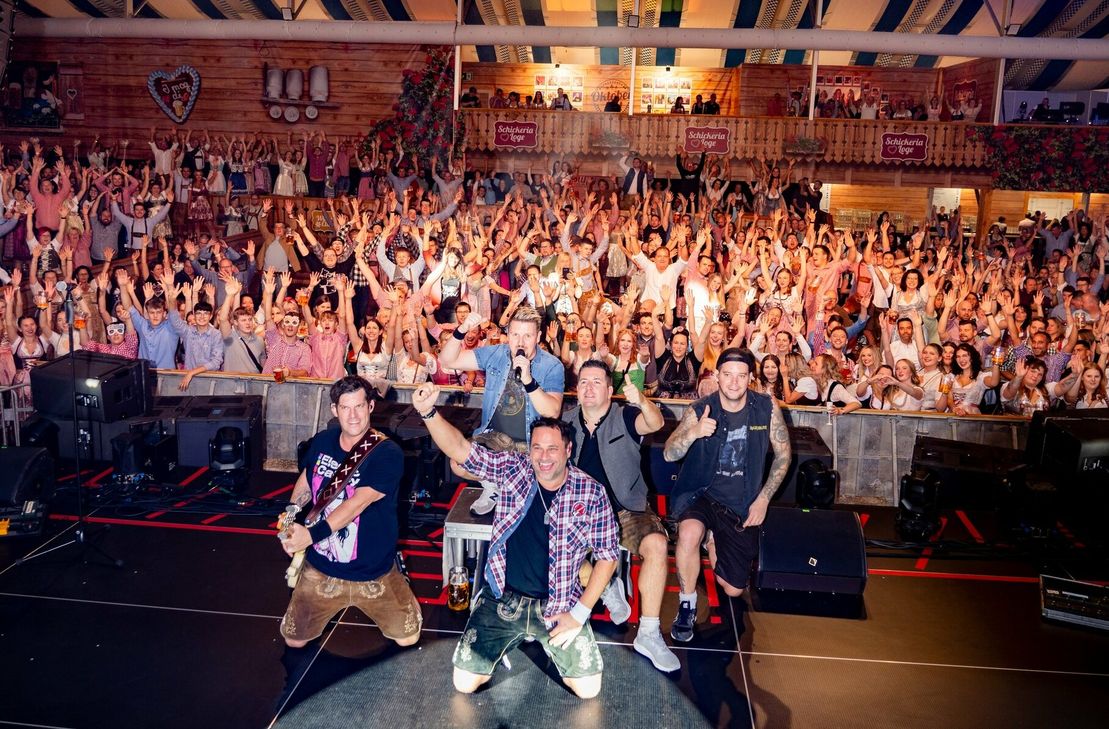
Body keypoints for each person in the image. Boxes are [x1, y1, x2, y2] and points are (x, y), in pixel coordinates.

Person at [412, 383, 620, 700]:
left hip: (558, 604)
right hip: (503, 600)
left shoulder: (591, 492)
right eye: (537, 448)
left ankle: (534, 637)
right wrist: (428, 412)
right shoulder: (514, 468)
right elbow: (459, 449)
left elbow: (607, 556)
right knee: (463, 683)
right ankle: (501, 634)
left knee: (589, 690)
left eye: (553, 449)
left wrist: (578, 613)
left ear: (568, 450)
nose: (544, 457)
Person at [278, 376, 422, 649]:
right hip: (322, 566)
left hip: (373, 570)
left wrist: (309, 536)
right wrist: (290, 517)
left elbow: (357, 503)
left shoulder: (387, 453)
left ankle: (401, 587)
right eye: (345, 407)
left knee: (408, 638)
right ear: (334, 409)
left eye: (359, 406)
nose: (353, 415)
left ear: (370, 406)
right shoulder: (322, 441)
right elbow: (308, 479)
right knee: (294, 640)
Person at [663, 348, 792, 642]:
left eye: (741, 376)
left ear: (750, 379)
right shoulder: (700, 409)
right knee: (688, 533)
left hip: (741, 502)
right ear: (717, 376)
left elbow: (784, 455)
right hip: (701, 493)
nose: (734, 382)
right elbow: (670, 453)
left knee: (733, 588)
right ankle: (687, 604)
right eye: (728, 375)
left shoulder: (766, 407)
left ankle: (713, 538)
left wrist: (763, 499)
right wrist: (693, 432)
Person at [562, 360, 679, 672]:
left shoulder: (624, 416)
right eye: (583, 382)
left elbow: (654, 424)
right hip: (581, 513)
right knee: (550, 543)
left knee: (655, 545)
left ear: (609, 389)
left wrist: (640, 399)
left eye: (597, 382)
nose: (589, 387)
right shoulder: (565, 421)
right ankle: (606, 585)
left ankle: (649, 633)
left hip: (626, 509)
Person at [438, 305, 565, 514]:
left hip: (530, 443)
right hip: (494, 439)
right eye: (515, 334)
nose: (520, 342)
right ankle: (494, 485)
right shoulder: (496, 354)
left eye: (527, 336)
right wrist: (462, 329)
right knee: (457, 463)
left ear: (538, 336)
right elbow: (447, 360)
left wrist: (528, 380)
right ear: (508, 334)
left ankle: (507, 481)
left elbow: (552, 411)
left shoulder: (552, 365)